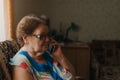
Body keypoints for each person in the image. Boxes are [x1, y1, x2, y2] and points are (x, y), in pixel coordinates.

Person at [10, 14, 75, 80]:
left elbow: (71, 77)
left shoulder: (48, 54)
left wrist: (60, 56)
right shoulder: (21, 63)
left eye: (48, 35)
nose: (47, 39)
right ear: (25, 38)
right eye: (41, 36)